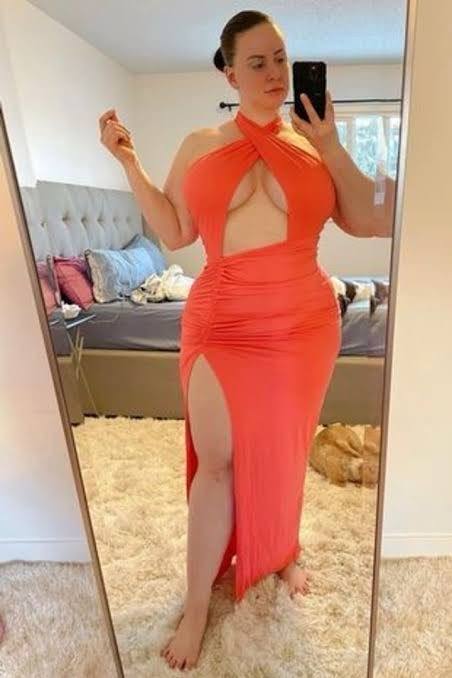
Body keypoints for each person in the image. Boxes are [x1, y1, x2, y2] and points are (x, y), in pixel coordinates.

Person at [99, 10, 395, 672]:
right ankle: (197, 605)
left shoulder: (315, 144)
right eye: (257, 62)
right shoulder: (199, 144)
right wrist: (129, 161)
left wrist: (330, 143)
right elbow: (175, 231)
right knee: (218, 460)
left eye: (281, 59)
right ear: (229, 74)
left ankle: (282, 549)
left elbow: (372, 217)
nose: (274, 73)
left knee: (287, 449)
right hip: (222, 319)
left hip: (302, 322)